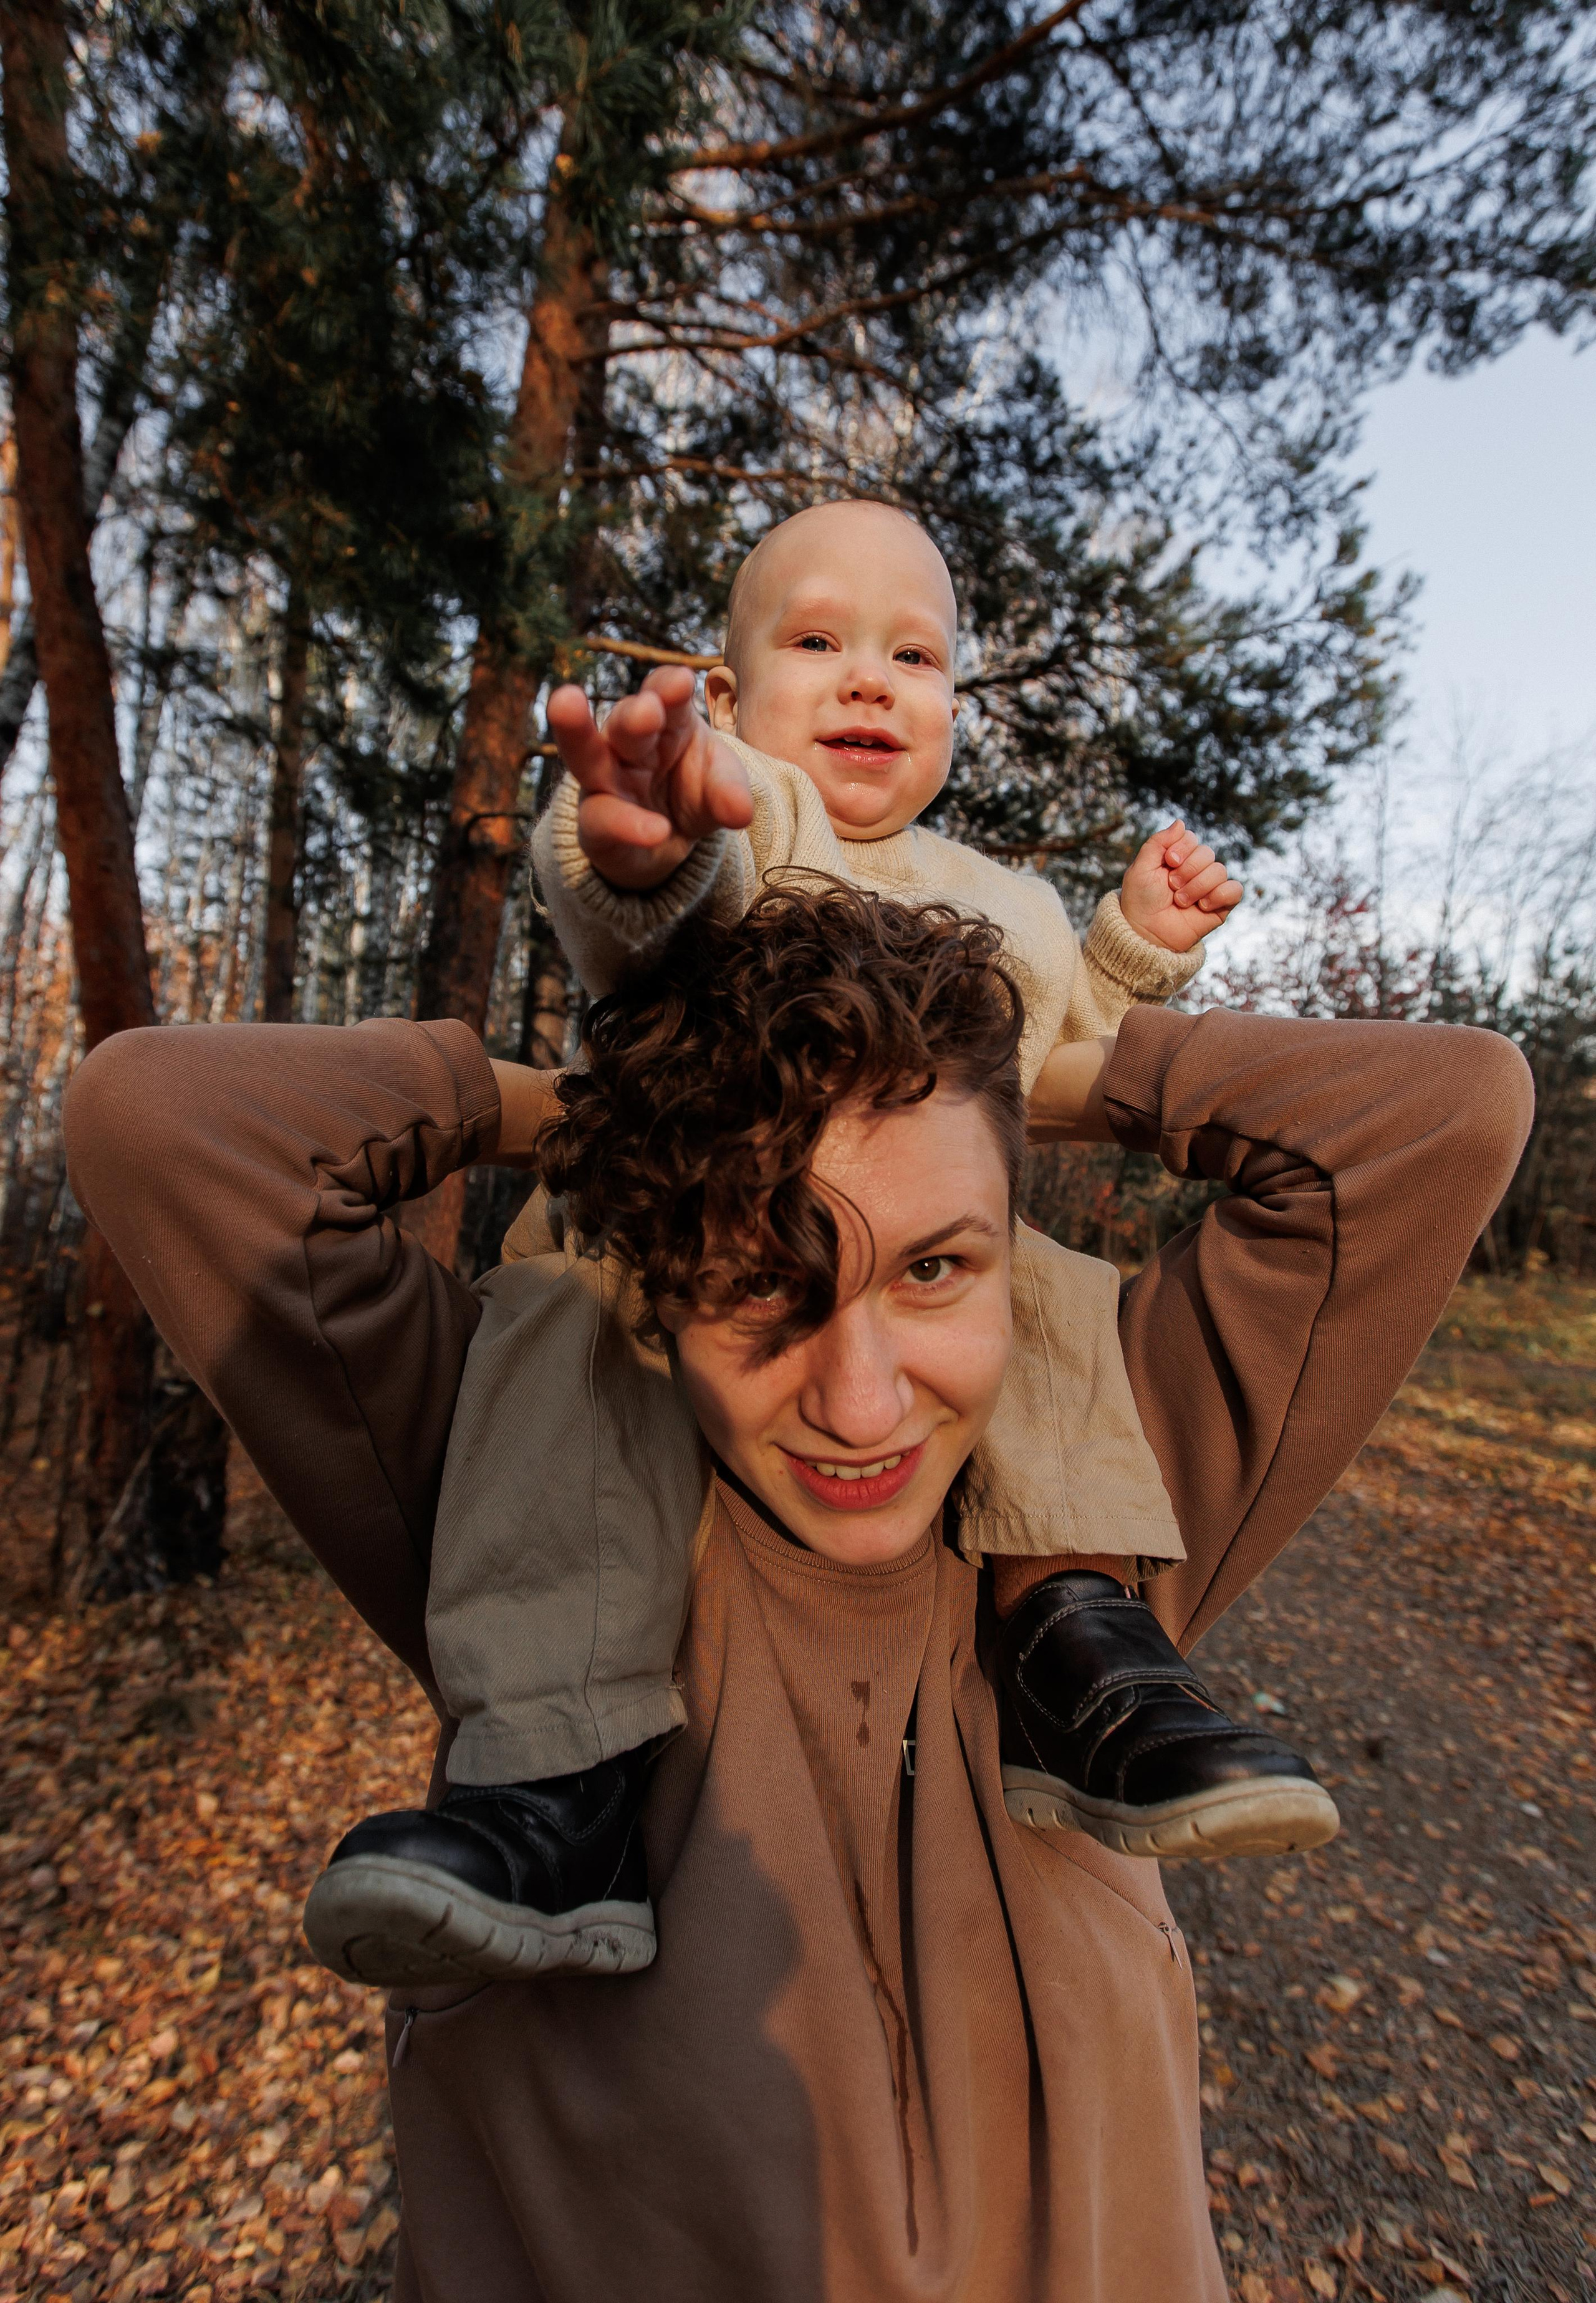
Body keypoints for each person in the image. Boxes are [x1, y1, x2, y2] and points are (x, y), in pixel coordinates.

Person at [64, 887, 1529, 2302]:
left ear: (1015, 1259)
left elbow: (1441, 1108)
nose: (860, 1396)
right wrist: (580, 1111)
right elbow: (164, 1120)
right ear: (657, 1277)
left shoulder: (1105, 1503)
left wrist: (1030, 1075)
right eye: (762, 1280)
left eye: (937, 1266)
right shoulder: (519, 1511)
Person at [317, 501, 1337, 1989]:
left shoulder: (1004, 903)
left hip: (917, 1252)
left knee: (1038, 1285)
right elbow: (657, 908)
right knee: (560, 1306)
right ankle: (552, 1774)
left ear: (950, 707)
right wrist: (644, 837)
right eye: (817, 641)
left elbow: (1066, 1059)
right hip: (684, 1225)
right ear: (725, 702)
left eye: (911, 655)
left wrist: (1125, 947)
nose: (868, 681)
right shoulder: (756, 820)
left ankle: (1078, 1635)